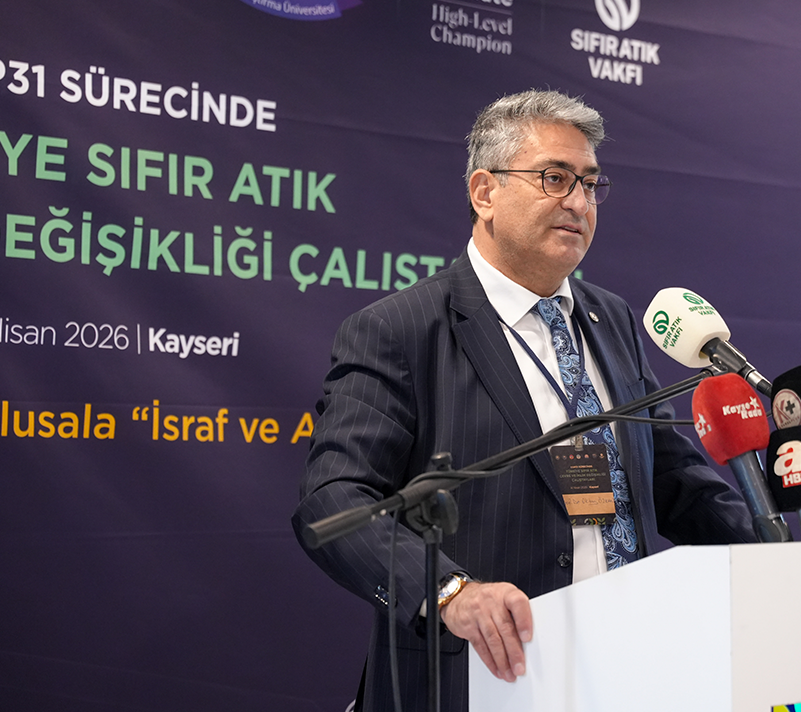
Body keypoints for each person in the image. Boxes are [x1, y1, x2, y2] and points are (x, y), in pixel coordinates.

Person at [293, 89, 756, 712]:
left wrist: (778, 562)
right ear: (485, 192)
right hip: (484, 679)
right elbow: (334, 499)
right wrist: (450, 592)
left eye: (590, 184)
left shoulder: (612, 320)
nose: (579, 202)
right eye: (554, 178)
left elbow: (674, 483)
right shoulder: (400, 330)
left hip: (628, 669)